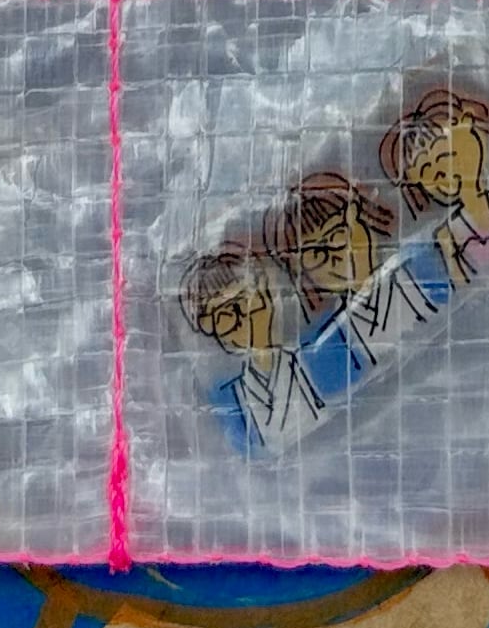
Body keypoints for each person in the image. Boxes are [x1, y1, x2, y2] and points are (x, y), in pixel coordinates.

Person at [270, 169, 447, 395]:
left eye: (338, 235)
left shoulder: (422, 268)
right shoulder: (328, 343)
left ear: (359, 214)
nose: (335, 256)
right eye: (316, 254)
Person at [381, 85, 489, 290]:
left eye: (445, 156)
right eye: (426, 171)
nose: (440, 173)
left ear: (467, 123)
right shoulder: (448, 234)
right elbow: (461, 284)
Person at [183, 239, 326, 454]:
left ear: (267, 293)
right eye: (224, 315)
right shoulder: (229, 402)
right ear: (210, 327)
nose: (242, 318)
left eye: (246, 300)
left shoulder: (318, 360)